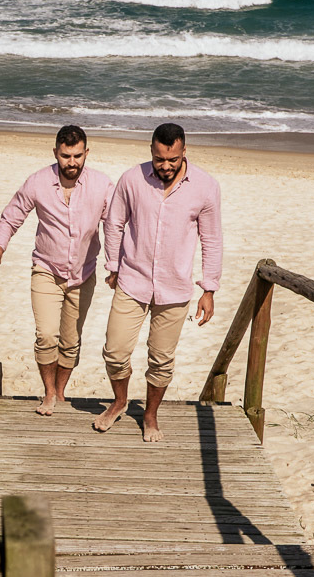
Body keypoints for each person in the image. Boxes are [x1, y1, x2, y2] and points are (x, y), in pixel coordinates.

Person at [94, 122, 222, 441]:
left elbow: (212, 239)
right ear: (151, 151)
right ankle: (120, 402)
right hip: (132, 281)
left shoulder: (206, 187)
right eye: (159, 159)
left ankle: (150, 415)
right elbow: (114, 223)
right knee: (115, 352)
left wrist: (209, 288)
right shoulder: (131, 179)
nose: (165, 166)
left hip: (175, 288)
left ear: (184, 152)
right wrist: (113, 265)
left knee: (161, 360)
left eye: (172, 160)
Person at [0, 125, 115, 415]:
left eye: (77, 156)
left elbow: (115, 227)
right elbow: (11, 217)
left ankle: (61, 391)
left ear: (86, 153)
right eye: (66, 156)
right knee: (46, 336)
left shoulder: (102, 185)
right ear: (55, 153)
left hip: (84, 274)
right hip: (46, 270)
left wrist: (116, 264)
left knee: (71, 341)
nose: (72, 162)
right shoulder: (38, 182)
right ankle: (49, 393)